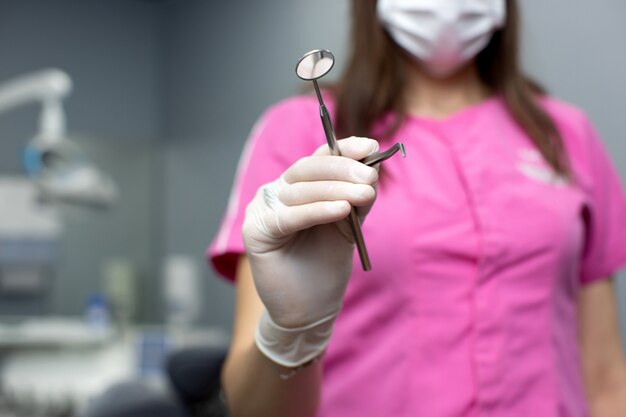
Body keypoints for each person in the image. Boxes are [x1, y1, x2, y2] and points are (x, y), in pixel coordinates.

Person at [208, 0, 626, 416]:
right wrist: (292, 332)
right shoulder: (295, 132)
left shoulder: (565, 135)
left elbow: (606, 378)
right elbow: (252, 409)